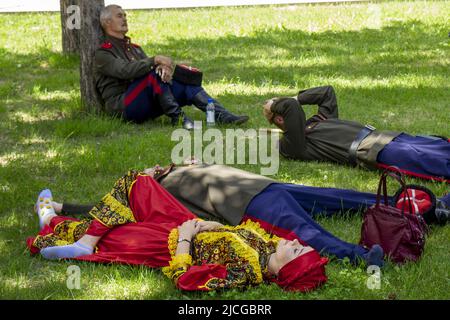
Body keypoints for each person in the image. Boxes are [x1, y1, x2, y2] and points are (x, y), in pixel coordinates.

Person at [37, 164, 410, 267]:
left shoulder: (180, 168)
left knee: (336, 197)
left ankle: (416, 204)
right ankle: (362, 258)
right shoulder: (153, 191)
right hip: (244, 205)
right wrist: (63, 208)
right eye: (151, 168)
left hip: (264, 185)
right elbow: (107, 208)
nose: (152, 167)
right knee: (301, 229)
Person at [29, 171, 328, 293]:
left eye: (297, 250)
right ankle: (76, 233)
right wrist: (212, 226)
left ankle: (54, 223)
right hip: (188, 223)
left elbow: (186, 280)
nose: (294, 241)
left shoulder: (246, 273)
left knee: (119, 235)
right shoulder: (268, 246)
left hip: (170, 244)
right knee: (139, 183)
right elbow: (234, 234)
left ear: (287, 269)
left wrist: (184, 240)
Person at [95, 4, 249, 129]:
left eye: (125, 15)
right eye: (119, 16)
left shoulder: (134, 48)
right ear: (107, 22)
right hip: (124, 107)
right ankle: (179, 118)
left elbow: (148, 70)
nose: (125, 19)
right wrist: (155, 61)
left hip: (145, 101)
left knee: (186, 82)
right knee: (154, 76)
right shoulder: (103, 54)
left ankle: (222, 115)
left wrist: (163, 69)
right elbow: (125, 71)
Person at [262, 86, 450, 183]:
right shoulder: (292, 145)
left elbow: (326, 92)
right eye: (281, 106)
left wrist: (295, 98)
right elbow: (291, 107)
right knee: (429, 160)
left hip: (383, 137)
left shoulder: (317, 121)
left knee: (438, 146)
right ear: (280, 119)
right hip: (369, 151)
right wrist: (275, 105)